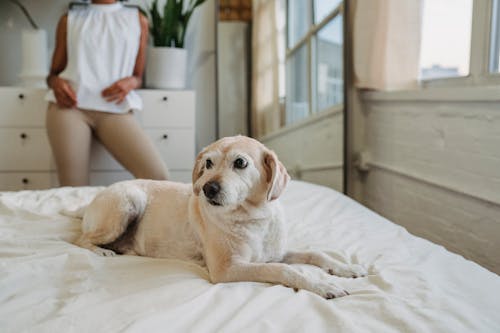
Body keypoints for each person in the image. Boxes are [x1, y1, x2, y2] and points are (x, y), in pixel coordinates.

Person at [45, 0, 169, 186]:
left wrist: (130, 82)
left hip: (114, 109)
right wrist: (56, 83)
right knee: (73, 190)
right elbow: (53, 74)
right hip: (70, 108)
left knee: (159, 177)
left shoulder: (138, 20)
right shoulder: (69, 19)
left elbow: (138, 76)